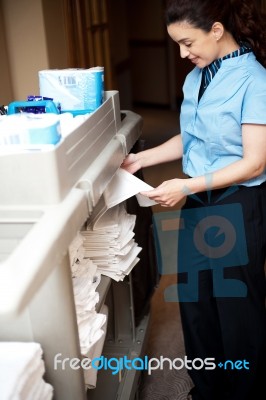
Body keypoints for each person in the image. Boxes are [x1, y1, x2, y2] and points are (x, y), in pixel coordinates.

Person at [121, 0, 266, 399]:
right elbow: (194, 136)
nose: (183, 54)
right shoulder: (196, 77)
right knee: (195, 300)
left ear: (216, 30)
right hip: (200, 202)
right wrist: (142, 159)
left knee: (236, 310)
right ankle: (206, 389)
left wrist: (184, 186)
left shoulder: (254, 80)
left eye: (187, 42)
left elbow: (254, 163)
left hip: (236, 203)